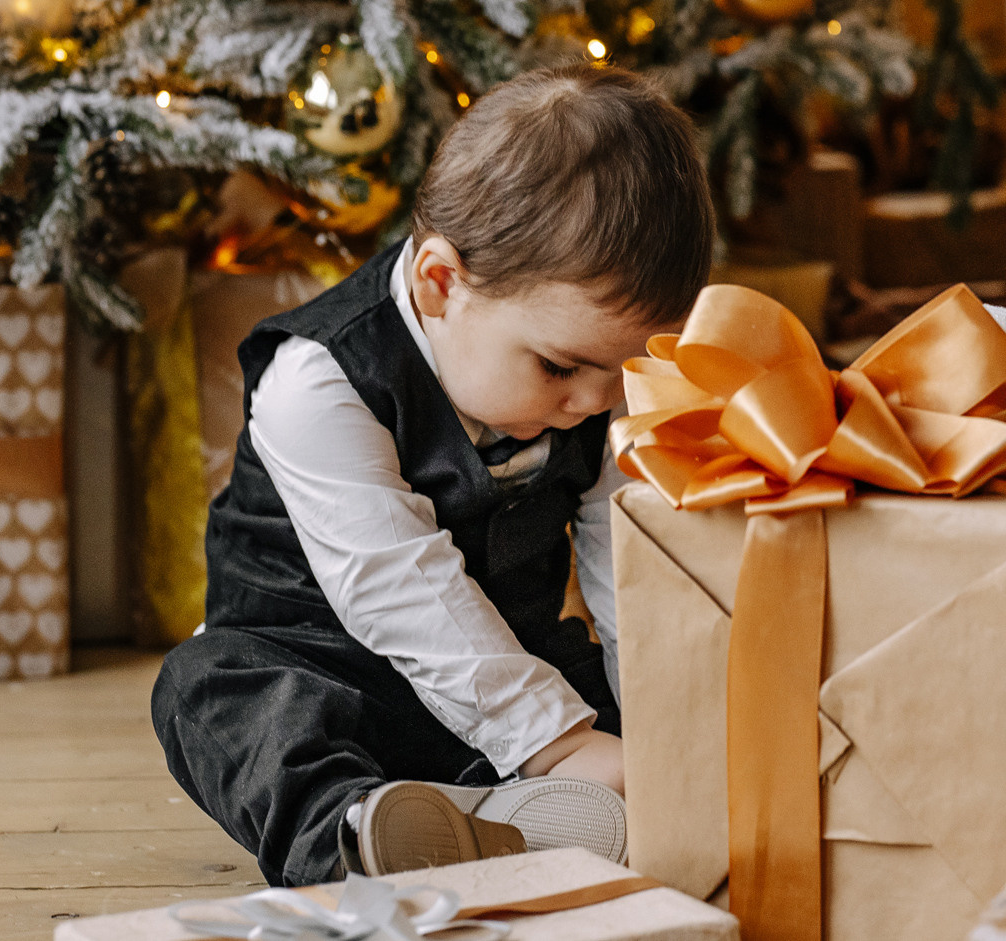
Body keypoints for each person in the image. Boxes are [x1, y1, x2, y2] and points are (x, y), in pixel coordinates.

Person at [152, 65, 715, 884]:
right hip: (326, 670)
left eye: (626, 367)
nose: (596, 399)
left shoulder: (594, 391)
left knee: (652, 690)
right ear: (441, 284)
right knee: (210, 689)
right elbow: (397, 586)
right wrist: (558, 741)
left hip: (504, 666)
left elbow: (627, 566)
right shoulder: (319, 377)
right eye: (561, 366)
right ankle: (356, 837)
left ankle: (512, 816)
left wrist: (659, 730)